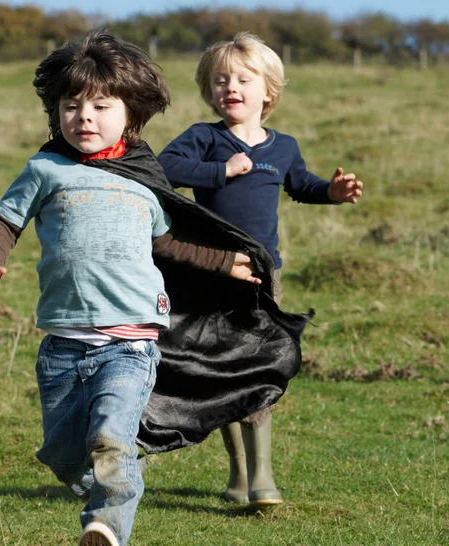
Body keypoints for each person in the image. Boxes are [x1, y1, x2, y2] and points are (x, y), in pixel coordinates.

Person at [0, 29, 262, 546]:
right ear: (55, 112)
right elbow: (5, 220)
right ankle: (117, 486)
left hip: (130, 343)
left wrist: (224, 264)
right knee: (62, 458)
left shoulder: (143, 179)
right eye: (71, 106)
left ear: (131, 113)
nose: (84, 117)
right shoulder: (45, 169)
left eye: (102, 106)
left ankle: (106, 526)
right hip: (62, 344)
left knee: (110, 437)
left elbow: (170, 246)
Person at [157, 31, 364, 508]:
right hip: (211, 272)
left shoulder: (283, 147)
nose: (230, 87)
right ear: (209, 92)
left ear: (267, 91)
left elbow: (302, 185)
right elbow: (165, 168)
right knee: (222, 370)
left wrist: (331, 194)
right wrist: (220, 172)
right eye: (220, 80)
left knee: (259, 366)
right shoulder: (204, 138)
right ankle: (239, 473)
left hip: (262, 276)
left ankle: (263, 479)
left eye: (243, 79)